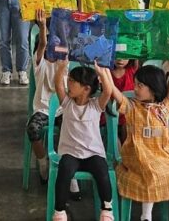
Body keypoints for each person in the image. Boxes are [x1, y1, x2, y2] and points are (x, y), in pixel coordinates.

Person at [112, 44, 169, 221]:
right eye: (136, 84)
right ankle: (145, 217)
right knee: (151, 174)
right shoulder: (131, 106)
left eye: (140, 85)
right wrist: (102, 70)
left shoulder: (164, 107)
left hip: (162, 156)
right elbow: (113, 90)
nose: (135, 88)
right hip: (138, 156)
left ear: (153, 88)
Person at [51, 61, 116, 221]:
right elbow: (57, 84)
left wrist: (100, 72)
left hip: (92, 153)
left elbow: (108, 91)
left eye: (73, 81)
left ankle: (106, 208)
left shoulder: (96, 105)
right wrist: (61, 68)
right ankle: (59, 211)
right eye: (69, 80)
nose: (68, 83)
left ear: (86, 88)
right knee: (64, 171)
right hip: (71, 153)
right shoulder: (67, 103)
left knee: (102, 171)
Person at [26, 10, 58, 182]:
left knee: (73, 127)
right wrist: (43, 27)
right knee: (32, 129)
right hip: (44, 110)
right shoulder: (40, 63)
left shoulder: (65, 63)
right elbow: (42, 44)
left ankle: (67, 165)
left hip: (64, 109)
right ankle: (42, 161)